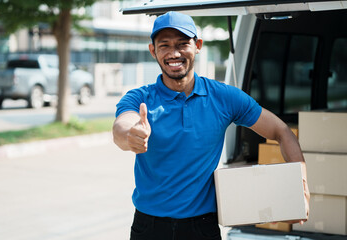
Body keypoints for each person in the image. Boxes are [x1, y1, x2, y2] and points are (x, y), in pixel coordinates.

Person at [113, 11, 310, 240]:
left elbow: (281, 131)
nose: (174, 53)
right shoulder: (139, 98)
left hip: (202, 227)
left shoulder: (224, 97)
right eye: (164, 45)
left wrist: (301, 187)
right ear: (153, 50)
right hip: (149, 227)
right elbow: (121, 127)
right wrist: (130, 135)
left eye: (182, 44)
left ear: (197, 45)